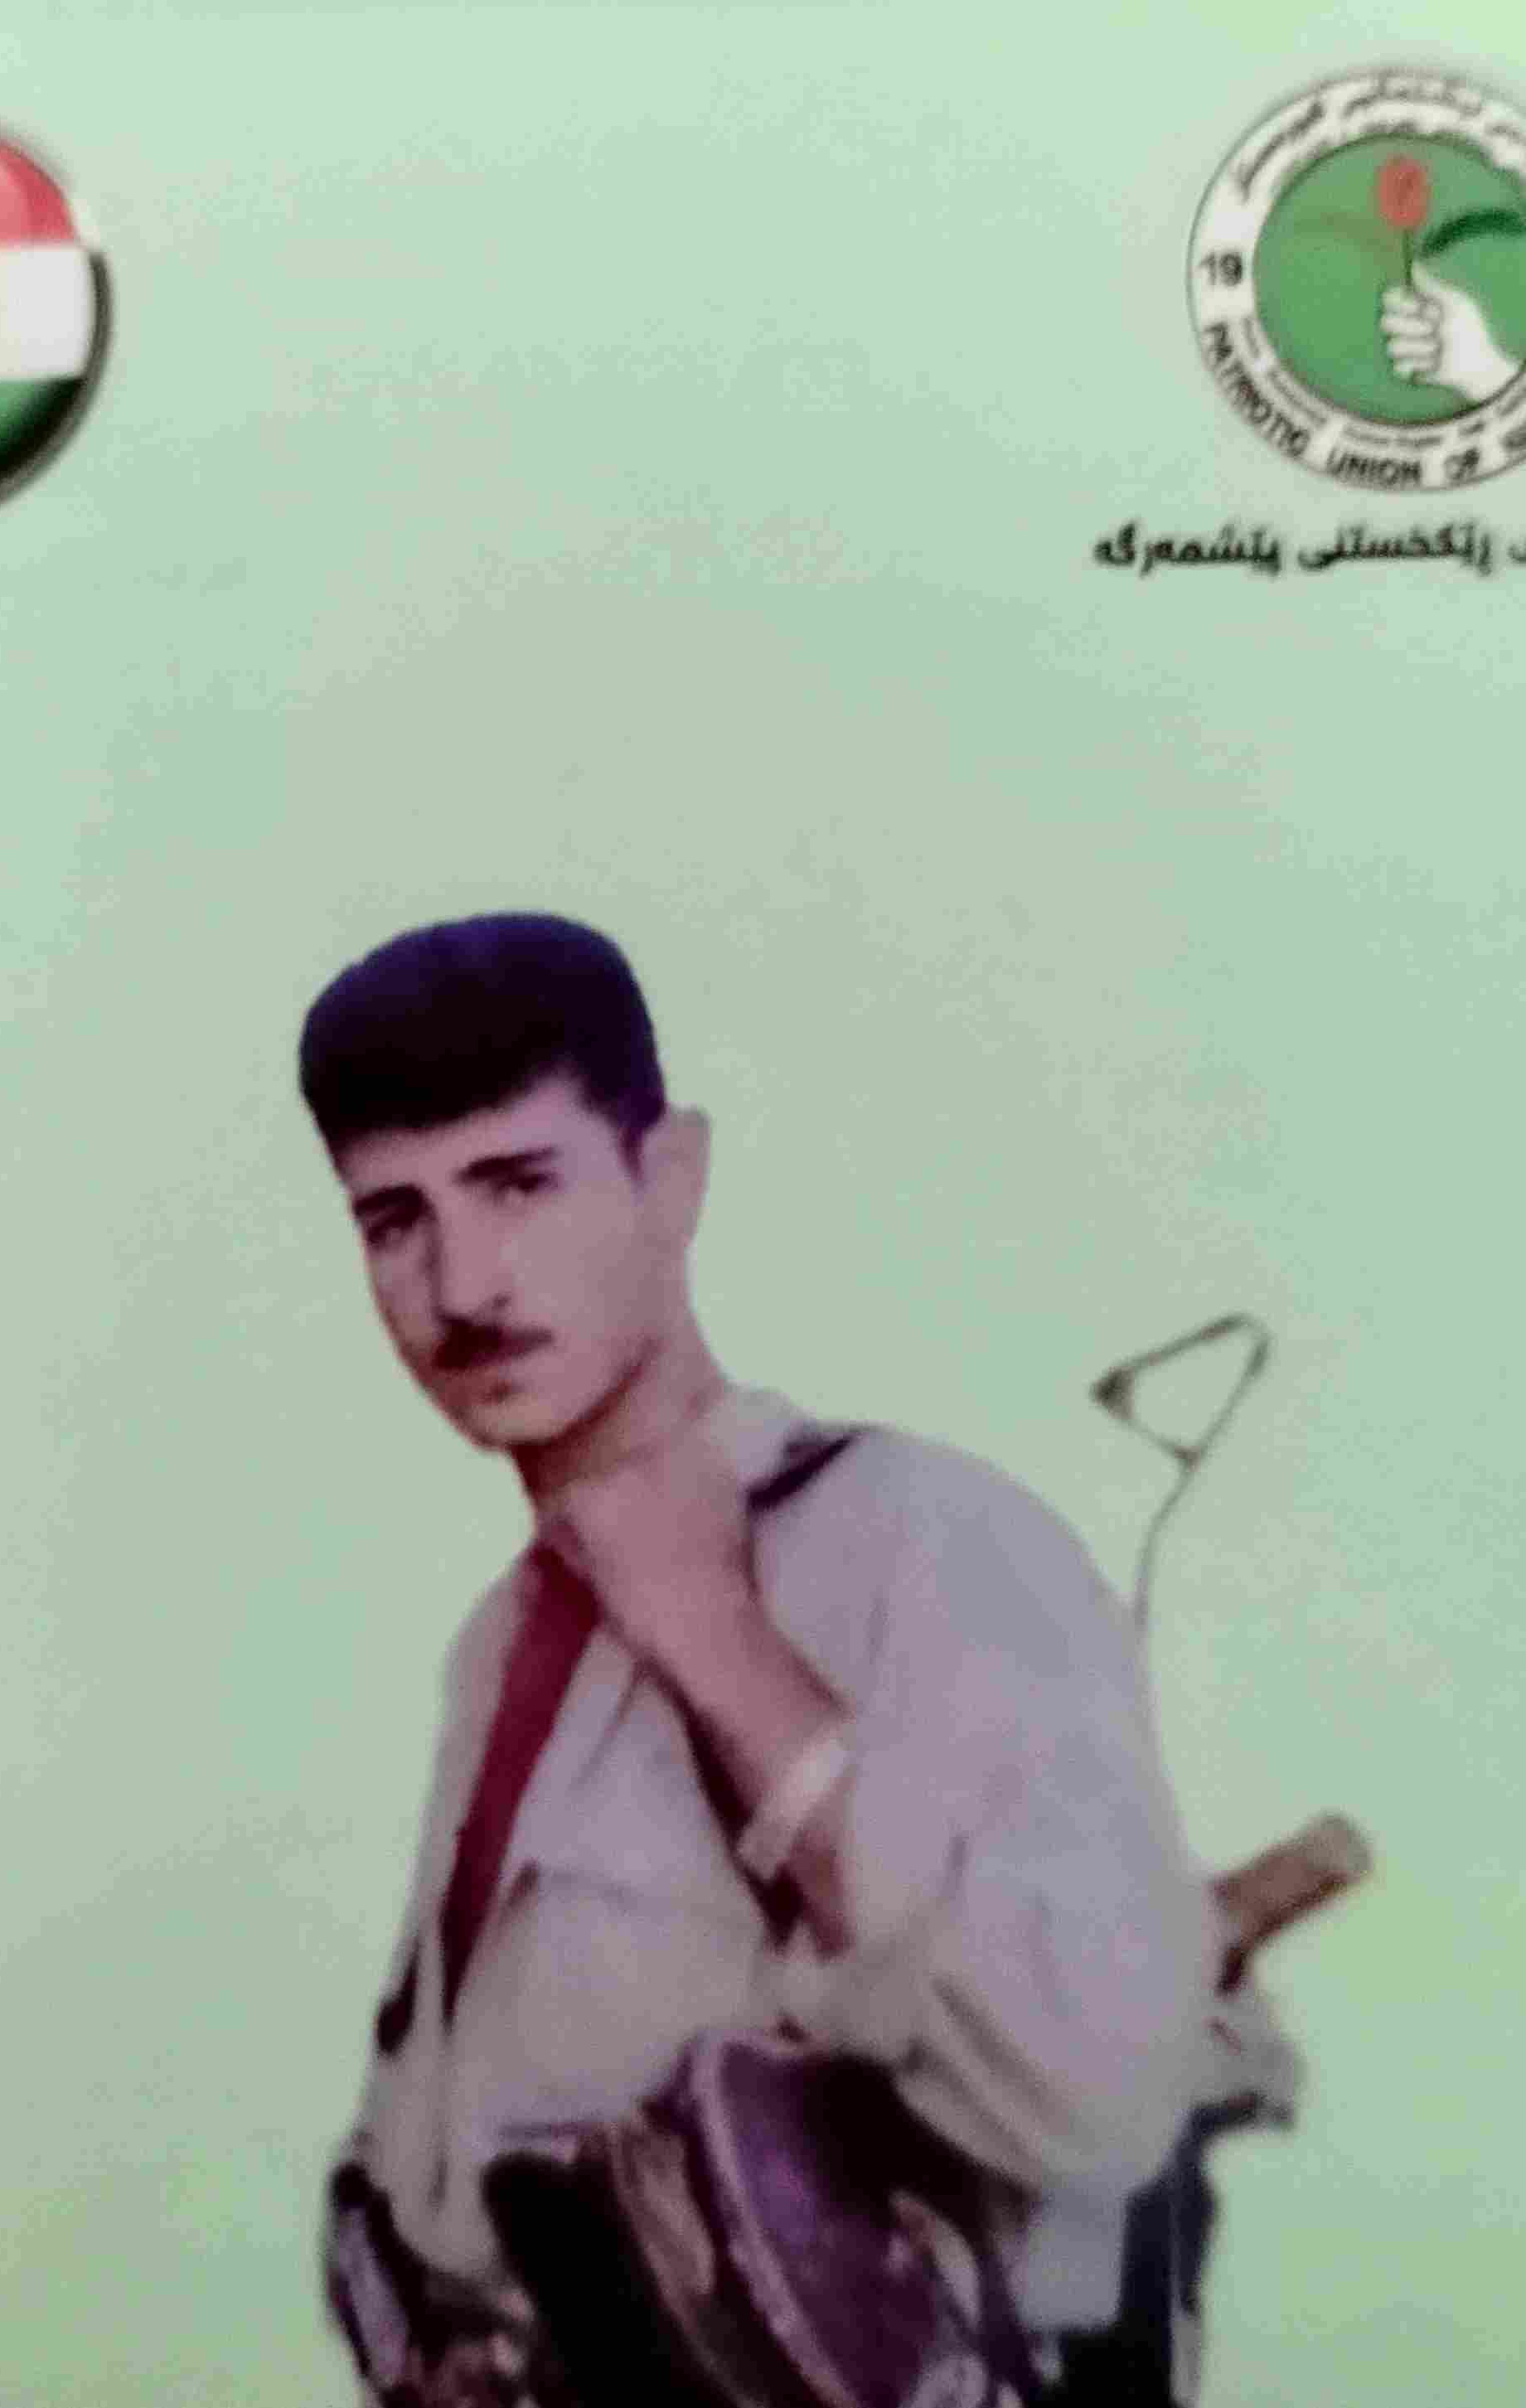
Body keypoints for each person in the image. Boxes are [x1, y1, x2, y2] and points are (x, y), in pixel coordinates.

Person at [298, 912, 1233, 2406]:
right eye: (392, 1219)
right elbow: (451, 2178)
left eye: (520, 1184)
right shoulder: (498, 1644)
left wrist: (720, 1638)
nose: (462, 1284)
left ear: (671, 1179)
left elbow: (1100, 2091)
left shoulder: (921, 1537)